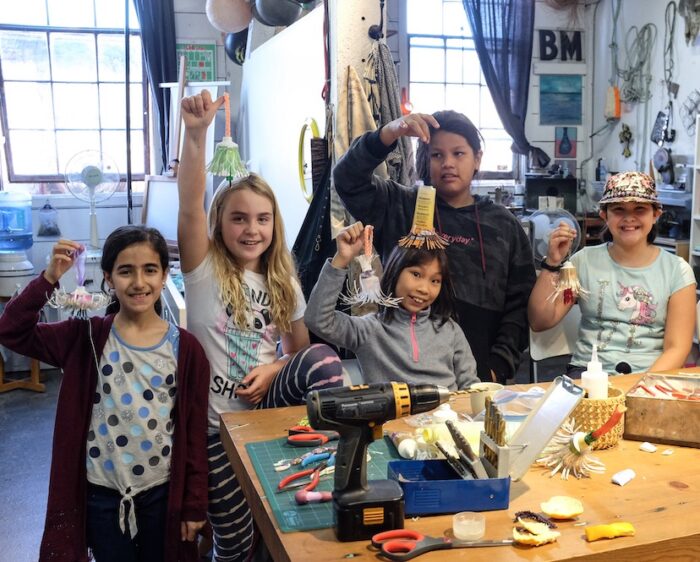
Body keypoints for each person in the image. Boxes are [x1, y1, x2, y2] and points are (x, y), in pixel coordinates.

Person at [177, 90, 346, 562]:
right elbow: (189, 204)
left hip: (269, 412)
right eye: (238, 219)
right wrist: (196, 135)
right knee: (237, 542)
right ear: (219, 224)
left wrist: (274, 371)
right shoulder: (204, 270)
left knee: (324, 360)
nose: (252, 229)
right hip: (217, 428)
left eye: (263, 219)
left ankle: (335, 458)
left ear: (275, 223)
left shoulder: (283, 279)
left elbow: (301, 353)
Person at [0, 226, 210, 562]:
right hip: (102, 496)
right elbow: (11, 330)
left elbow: (195, 434)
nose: (139, 282)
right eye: (126, 271)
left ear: (164, 275)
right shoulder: (84, 338)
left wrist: (194, 502)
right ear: (108, 278)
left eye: (150, 270)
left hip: (162, 494)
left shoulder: (187, 351)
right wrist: (49, 278)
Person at [333, 110, 536, 383]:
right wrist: (387, 134)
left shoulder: (504, 225)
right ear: (425, 161)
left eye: (459, 153)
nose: (448, 163)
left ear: (477, 159)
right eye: (437, 155)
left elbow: (520, 305)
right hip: (402, 377)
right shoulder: (401, 206)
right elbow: (347, 179)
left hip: (476, 380)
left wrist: (498, 367)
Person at [528, 171, 696, 374]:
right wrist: (553, 262)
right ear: (604, 215)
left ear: (655, 215)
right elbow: (540, 321)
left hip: (650, 376)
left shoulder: (677, 271)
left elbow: (677, 348)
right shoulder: (583, 262)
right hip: (589, 373)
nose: (629, 218)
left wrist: (638, 387)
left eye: (640, 209)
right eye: (618, 209)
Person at [305, 221, 479, 389]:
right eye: (416, 274)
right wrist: (341, 259)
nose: (424, 289)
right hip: (392, 418)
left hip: (447, 416)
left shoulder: (450, 330)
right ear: (395, 271)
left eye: (435, 280)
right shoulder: (368, 330)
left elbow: (470, 385)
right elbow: (317, 320)